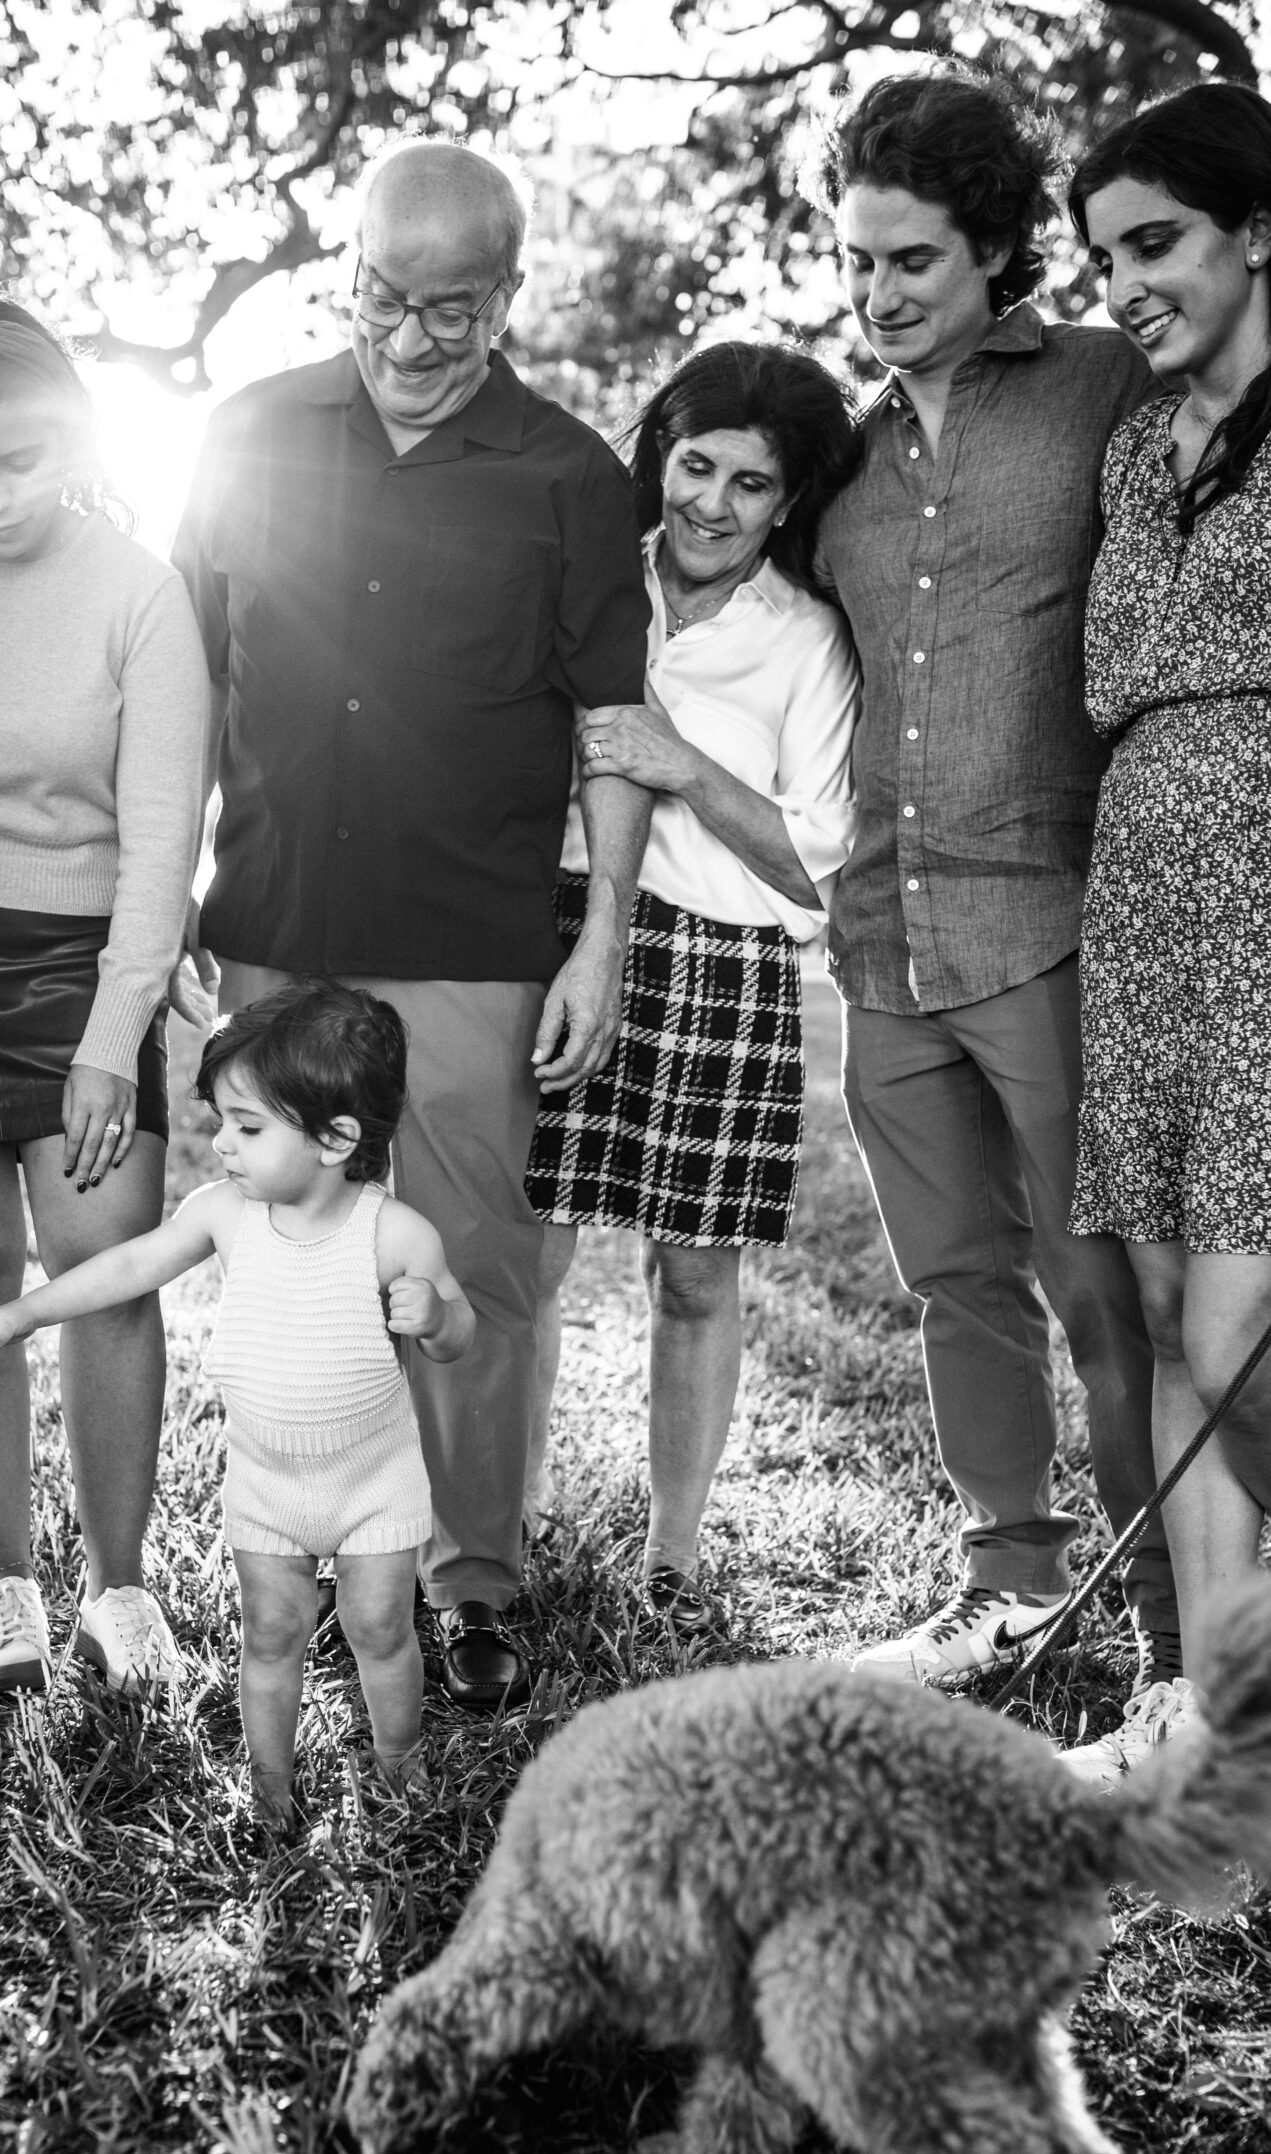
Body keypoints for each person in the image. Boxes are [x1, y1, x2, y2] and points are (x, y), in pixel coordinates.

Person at [172, 141, 652, 1712]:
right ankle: (311, 1564)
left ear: (506, 296)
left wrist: (596, 947)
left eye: (452, 308)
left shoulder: (570, 478)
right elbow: (182, 686)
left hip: (469, 933)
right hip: (276, 916)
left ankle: (469, 1577)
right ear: (349, 274)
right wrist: (170, 881)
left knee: (471, 1268)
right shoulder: (244, 434)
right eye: (385, 296)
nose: (412, 337)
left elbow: (609, 728)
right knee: (289, 1260)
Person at [809, 68, 1180, 1698]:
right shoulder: (842, 463)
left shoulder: (1102, 384)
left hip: (1050, 929)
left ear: (995, 251)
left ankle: (1179, 1615)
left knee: (1108, 1293)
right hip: (881, 941)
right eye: (855, 263)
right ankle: (1009, 1586)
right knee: (952, 1281)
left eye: (909, 262)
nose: (877, 296)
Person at [0, 302, 212, 1699]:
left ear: (72, 434)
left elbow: (162, 840)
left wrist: (108, 1037)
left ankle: (119, 1589)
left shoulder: (139, 590)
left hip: (88, 963)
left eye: (21, 458)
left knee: (100, 1279)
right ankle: (8, 1586)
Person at [0, 984, 474, 1832]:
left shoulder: (395, 1234)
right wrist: (28, 1311)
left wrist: (436, 1318)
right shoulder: (225, 1213)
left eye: (248, 1128)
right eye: (220, 1120)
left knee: (378, 1629)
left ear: (337, 1139)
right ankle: (269, 1794)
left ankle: (398, 1767)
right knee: (269, 1633)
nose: (220, 1143)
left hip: (374, 1479)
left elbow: (456, 1333)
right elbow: (127, 1268)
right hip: (266, 1483)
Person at [524, 343, 860, 1627]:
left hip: (723, 963)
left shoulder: (802, 642)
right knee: (526, 1248)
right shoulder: (589, 582)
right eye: (695, 464)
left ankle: (672, 1546)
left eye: (752, 484)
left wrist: (677, 764)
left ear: (788, 502)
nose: (713, 503)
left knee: (695, 1274)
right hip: (563, 931)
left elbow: (817, 862)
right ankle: (515, 1502)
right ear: (657, 456)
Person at [1057, 85, 1271, 1781]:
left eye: (1153, 244)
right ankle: (1213, 1710)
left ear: (1252, 229)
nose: (1122, 284)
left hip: (1262, 888)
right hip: (1136, 889)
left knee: (1236, 1326)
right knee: (1150, 1293)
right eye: (1100, 258)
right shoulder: (1133, 448)